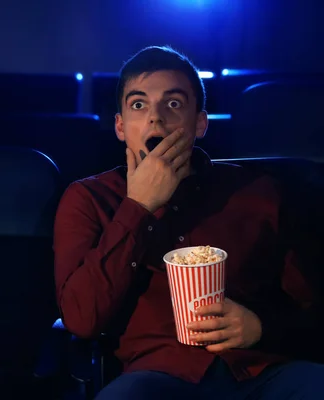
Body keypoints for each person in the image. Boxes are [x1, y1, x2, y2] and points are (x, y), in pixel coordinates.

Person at [53, 45, 324, 399]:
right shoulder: (90, 199)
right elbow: (81, 318)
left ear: (200, 122)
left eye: (174, 104)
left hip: (261, 372)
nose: (155, 118)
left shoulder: (258, 192)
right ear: (120, 126)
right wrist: (140, 206)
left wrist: (261, 327)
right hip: (158, 378)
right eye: (138, 105)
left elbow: (312, 311)